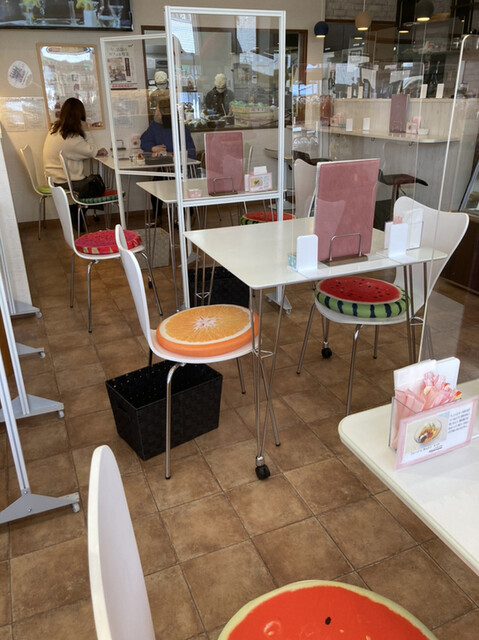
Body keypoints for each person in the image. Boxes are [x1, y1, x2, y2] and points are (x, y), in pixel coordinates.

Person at [43, 97, 108, 229]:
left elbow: (80, 152)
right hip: (64, 180)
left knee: (92, 181)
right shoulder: (71, 137)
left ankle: (77, 210)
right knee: (97, 184)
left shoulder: (55, 129)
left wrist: (92, 151)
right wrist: (86, 130)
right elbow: (91, 151)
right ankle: (77, 211)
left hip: (53, 178)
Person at [140, 91, 196, 223]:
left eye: (158, 110)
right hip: (164, 168)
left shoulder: (180, 127)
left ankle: (188, 215)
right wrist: (153, 148)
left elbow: (191, 151)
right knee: (155, 187)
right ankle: (157, 216)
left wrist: (177, 162)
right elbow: (144, 141)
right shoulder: (154, 126)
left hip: (182, 169)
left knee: (183, 189)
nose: (156, 113)